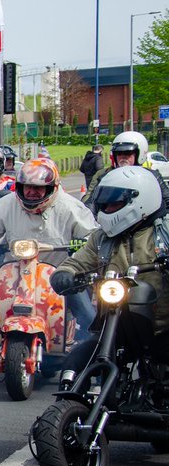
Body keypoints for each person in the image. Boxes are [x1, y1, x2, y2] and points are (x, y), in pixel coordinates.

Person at [0, 157, 98, 378]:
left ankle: (95, 367)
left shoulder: (70, 207)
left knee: (89, 318)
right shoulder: (8, 204)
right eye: (27, 187)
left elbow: (92, 234)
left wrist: (81, 244)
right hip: (15, 271)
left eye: (38, 188)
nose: (31, 192)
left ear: (51, 188)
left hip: (61, 273)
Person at [52, 166, 169, 388]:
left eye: (114, 203)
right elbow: (77, 261)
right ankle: (70, 406)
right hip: (118, 325)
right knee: (75, 361)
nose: (107, 209)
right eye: (104, 204)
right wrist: (64, 274)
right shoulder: (102, 238)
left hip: (162, 327)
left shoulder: (164, 232)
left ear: (140, 200)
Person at [84, 131, 169, 211]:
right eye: (119, 154)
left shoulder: (153, 177)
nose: (123, 157)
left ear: (139, 154)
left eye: (128, 153)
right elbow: (92, 204)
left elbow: (167, 200)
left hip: (145, 223)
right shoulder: (106, 179)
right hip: (114, 223)